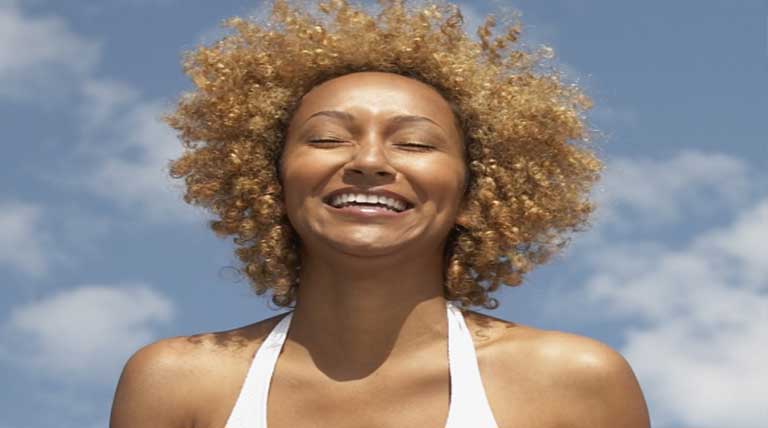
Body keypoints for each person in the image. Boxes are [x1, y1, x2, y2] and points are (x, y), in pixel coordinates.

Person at [110, 0, 650, 427]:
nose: (368, 161)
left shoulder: (574, 383)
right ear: (271, 182)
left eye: (415, 144)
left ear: (474, 195)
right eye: (327, 138)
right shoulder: (175, 383)